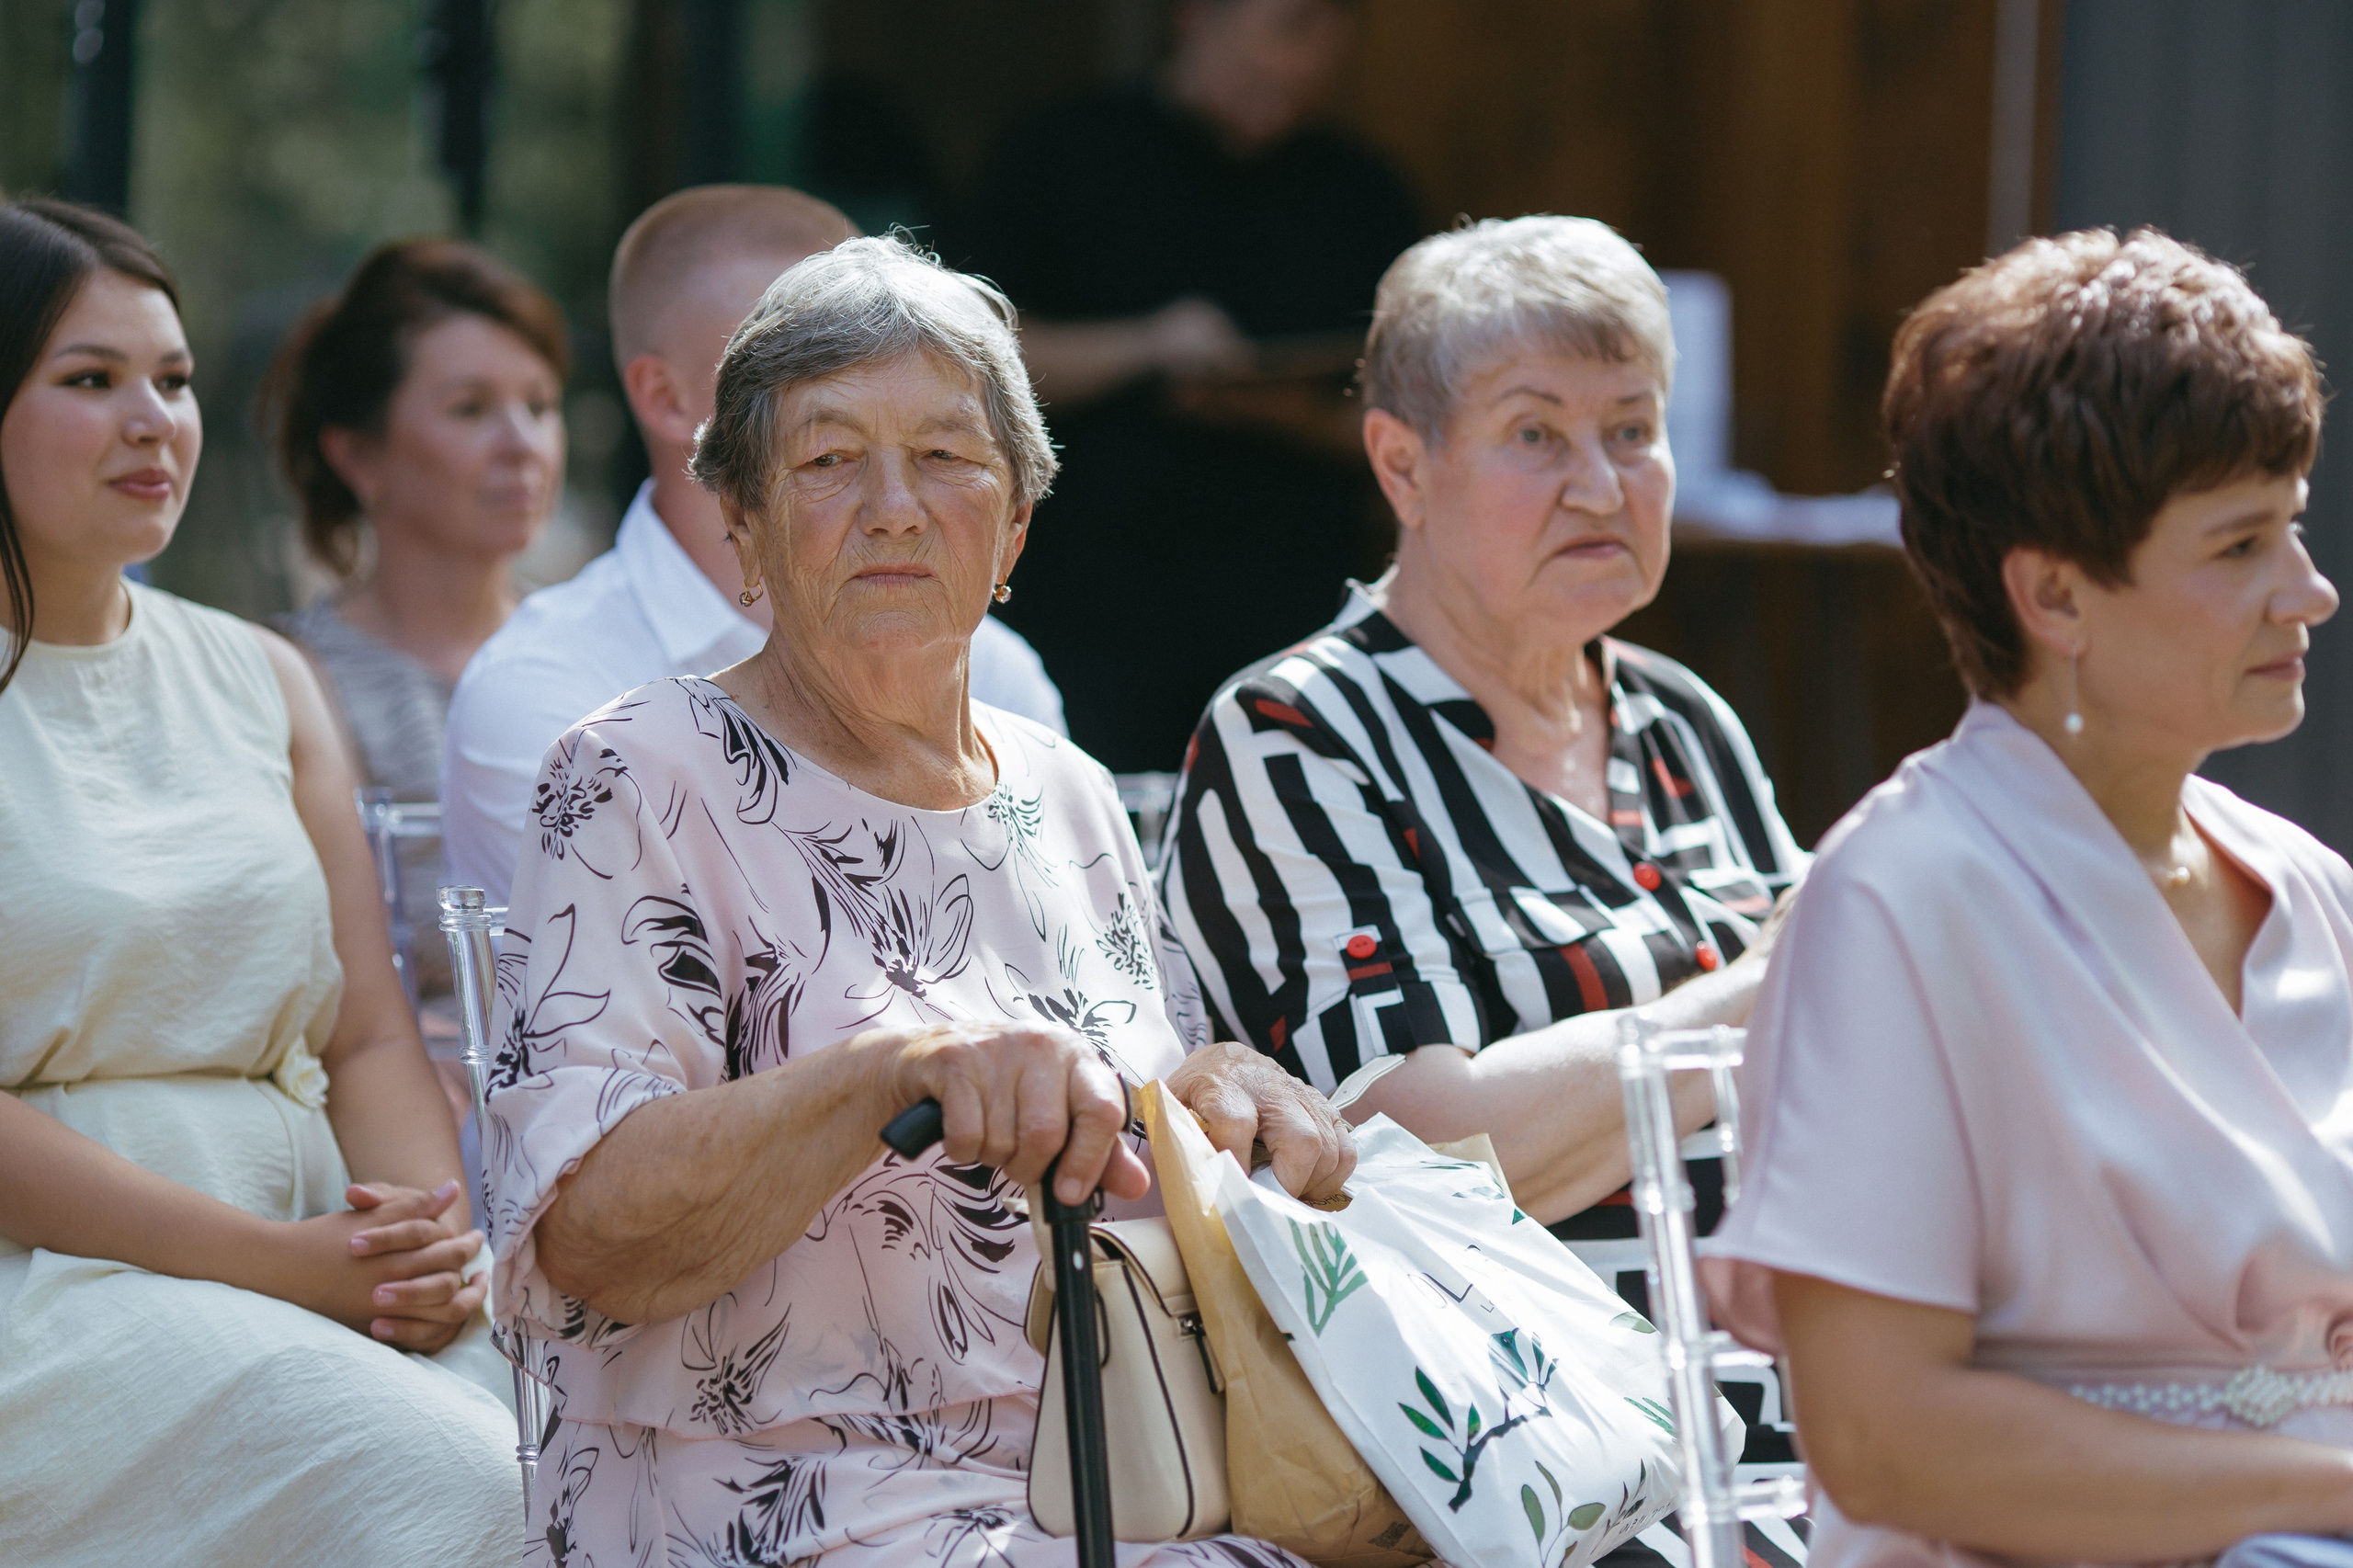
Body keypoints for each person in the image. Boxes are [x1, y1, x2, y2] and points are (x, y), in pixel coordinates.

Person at [483, 234, 1352, 1567]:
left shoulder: (1062, 789)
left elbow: (1153, 1107)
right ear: (745, 522)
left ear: (1012, 528)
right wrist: (890, 1076)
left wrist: (1237, 1086)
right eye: (830, 461)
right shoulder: (635, 775)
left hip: (1118, 1475)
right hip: (779, 1497)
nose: (894, 504)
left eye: (946, 456)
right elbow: (591, 1233)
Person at [1704, 230, 2353, 1565]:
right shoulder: (1899, 898)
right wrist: (2319, 1490)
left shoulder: (2310, 890)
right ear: (2054, 592)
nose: (2312, 592)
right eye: (2240, 545)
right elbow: (1884, 1442)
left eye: (2293, 526)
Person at [0, 199, 517, 1564]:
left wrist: (430, 1249)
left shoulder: (260, 675)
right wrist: (276, 1265)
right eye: (90, 380)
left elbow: (362, 1030)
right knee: (455, 1481)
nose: (154, 419)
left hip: (315, 1246)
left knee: (602, 1459)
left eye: (172, 380)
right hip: (58, 1287)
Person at [1161, 216, 1803, 1235]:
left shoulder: (1684, 718)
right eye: (1535, 434)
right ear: (1402, 466)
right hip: (1524, 1381)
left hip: (1789, 1357)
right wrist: (1763, 991)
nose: (1600, 486)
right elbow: (1421, 1157)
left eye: (1633, 429)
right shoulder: (1296, 733)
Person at [442, 185, 1065, 907]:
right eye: (779, 347)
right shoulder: (554, 697)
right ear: (666, 396)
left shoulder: (997, 677)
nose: (896, 507)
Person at [949, 0, 1423, 772]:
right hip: (1084, 611)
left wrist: (1280, 413)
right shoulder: (1063, 153)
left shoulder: (1361, 194)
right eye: (1289, 29)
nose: (1302, 67)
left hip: (1290, 618)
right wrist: (1148, 345)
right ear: (1197, 18)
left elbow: (1419, 425)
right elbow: (960, 358)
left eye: (1331, 39)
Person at [268, 237, 570, 986]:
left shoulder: (595, 657)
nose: (523, 444)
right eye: (471, 408)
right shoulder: (289, 681)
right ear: (359, 457)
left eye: (540, 406)